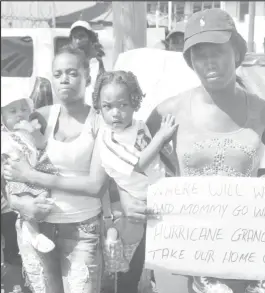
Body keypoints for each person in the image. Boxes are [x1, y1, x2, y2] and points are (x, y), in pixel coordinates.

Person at [114, 8, 265, 293]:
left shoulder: (260, 111)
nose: (209, 62)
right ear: (190, 61)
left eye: (218, 51)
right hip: (187, 249)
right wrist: (125, 198)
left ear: (236, 52)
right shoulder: (169, 111)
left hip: (248, 250)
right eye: (199, 54)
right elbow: (126, 164)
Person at [4, 44, 104, 293]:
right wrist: (19, 204)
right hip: (35, 228)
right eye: (58, 74)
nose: (64, 80)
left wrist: (32, 175)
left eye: (72, 73)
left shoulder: (101, 122)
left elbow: (95, 185)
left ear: (87, 77)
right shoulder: (38, 117)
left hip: (83, 230)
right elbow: (10, 169)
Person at [91, 70, 176, 273]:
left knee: (159, 261)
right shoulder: (108, 139)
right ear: (99, 108)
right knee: (133, 264)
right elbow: (139, 164)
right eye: (108, 106)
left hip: (160, 195)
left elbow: (156, 155)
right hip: (138, 205)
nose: (116, 113)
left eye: (123, 105)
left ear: (135, 103)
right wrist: (161, 136)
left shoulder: (138, 125)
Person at [1, 94, 58, 254]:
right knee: (26, 200)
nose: (19, 114)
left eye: (24, 109)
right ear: (3, 118)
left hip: (35, 174)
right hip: (16, 179)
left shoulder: (31, 132)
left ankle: (33, 228)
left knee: (41, 197)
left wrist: (33, 132)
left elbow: (41, 144)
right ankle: (32, 232)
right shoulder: (5, 137)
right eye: (12, 111)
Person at [69, 20, 106, 106]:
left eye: (82, 36)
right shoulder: (68, 63)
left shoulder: (97, 63)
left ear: (90, 38)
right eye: (75, 37)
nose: (78, 41)